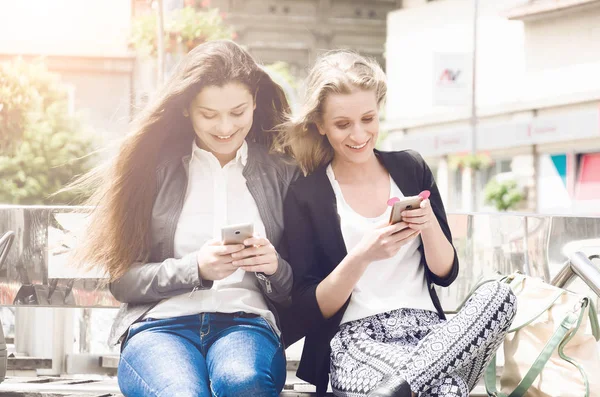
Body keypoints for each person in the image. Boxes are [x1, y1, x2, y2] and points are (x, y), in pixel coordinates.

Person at [277, 51, 517, 397]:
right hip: (357, 342)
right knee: (446, 390)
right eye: (343, 124)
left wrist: (428, 224)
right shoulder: (306, 194)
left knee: (500, 294)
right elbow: (309, 305)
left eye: (368, 118)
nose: (359, 134)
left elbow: (445, 272)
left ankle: (398, 388)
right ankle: (406, 385)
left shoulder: (410, 167)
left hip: (436, 338)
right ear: (321, 126)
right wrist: (362, 255)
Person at [74, 40, 298, 397]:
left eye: (238, 112)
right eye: (208, 115)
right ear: (186, 110)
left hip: (247, 325)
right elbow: (122, 281)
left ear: (255, 101)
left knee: (244, 383)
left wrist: (273, 267)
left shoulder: (283, 173)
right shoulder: (151, 169)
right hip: (160, 328)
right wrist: (196, 269)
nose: (225, 127)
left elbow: (298, 289)